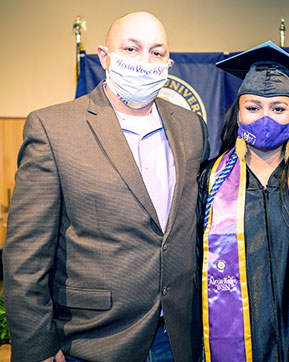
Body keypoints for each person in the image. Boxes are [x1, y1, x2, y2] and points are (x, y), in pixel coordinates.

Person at [3, 12, 209, 362]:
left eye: (157, 53)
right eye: (131, 49)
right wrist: (37, 345)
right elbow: (25, 255)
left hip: (176, 336)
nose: (145, 62)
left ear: (169, 62)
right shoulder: (53, 128)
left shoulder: (191, 127)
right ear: (104, 56)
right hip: (91, 339)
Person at [198, 41, 289, 362]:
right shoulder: (211, 179)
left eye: (278, 108)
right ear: (238, 113)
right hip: (235, 333)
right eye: (253, 107)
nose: (265, 117)